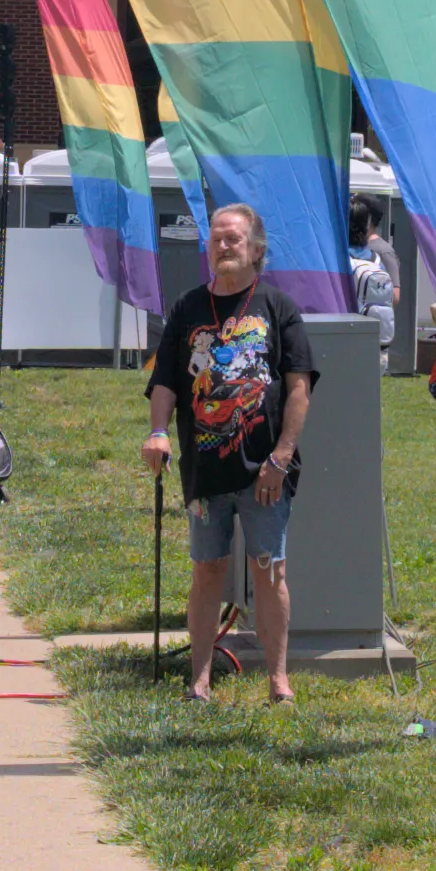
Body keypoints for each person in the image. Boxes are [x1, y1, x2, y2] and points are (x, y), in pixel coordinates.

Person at [143, 203, 313, 704]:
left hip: (264, 472)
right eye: (215, 238)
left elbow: (299, 388)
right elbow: (166, 381)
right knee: (207, 569)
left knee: (269, 569)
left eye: (233, 239)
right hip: (205, 471)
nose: (222, 245)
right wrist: (158, 431)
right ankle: (200, 677)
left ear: (257, 249)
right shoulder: (188, 309)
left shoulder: (278, 308)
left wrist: (281, 458)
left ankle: (278, 678)